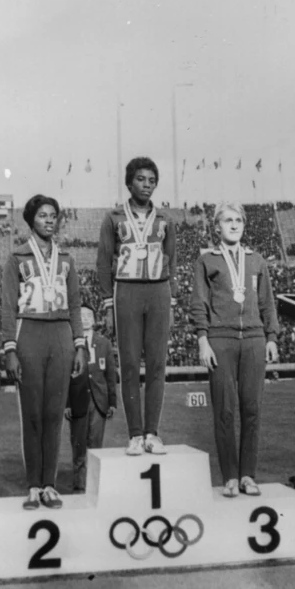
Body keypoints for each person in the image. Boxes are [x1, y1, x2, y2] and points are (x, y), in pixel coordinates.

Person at [2, 195, 88, 510]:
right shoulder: (17, 258)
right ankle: (33, 485)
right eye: (43, 215)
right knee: (33, 415)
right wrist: (10, 348)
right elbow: (8, 307)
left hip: (62, 335)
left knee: (54, 414)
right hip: (29, 334)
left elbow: (76, 305)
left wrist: (80, 343)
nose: (49, 220)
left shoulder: (67, 259)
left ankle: (50, 485)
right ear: (31, 220)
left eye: (53, 215)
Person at [191, 202, 280, 497]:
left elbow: (268, 302)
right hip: (220, 339)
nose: (234, 225)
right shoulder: (207, 261)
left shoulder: (256, 261)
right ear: (217, 226)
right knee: (225, 411)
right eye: (227, 220)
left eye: (238, 220)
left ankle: (247, 476)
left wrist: (272, 337)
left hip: (254, 339)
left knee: (252, 410)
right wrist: (203, 339)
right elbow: (199, 303)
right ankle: (230, 476)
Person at [96, 157, 177, 456]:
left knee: (157, 364)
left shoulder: (165, 219)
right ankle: (133, 435)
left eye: (152, 180)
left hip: (158, 292)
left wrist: (171, 301)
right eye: (141, 179)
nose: (147, 185)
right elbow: (104, 262)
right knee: (129, 365)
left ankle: (152, 433)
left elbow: (172, 261)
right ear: (129, 183)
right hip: (126, 292)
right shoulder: (113, 218)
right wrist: (107, 303)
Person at [64, 306, 119, 492]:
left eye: (89, 316)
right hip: (78, 400)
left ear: (95, 320)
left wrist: (112, 402)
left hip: (99, 402)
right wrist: (66, 404)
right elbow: (64, 377)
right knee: (78, 446)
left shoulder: (104, 343)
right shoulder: (69, 343)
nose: (85, 319)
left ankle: (96, 487)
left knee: (96, 447)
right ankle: (79, 487)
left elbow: (111, 375)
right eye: (81, 316)